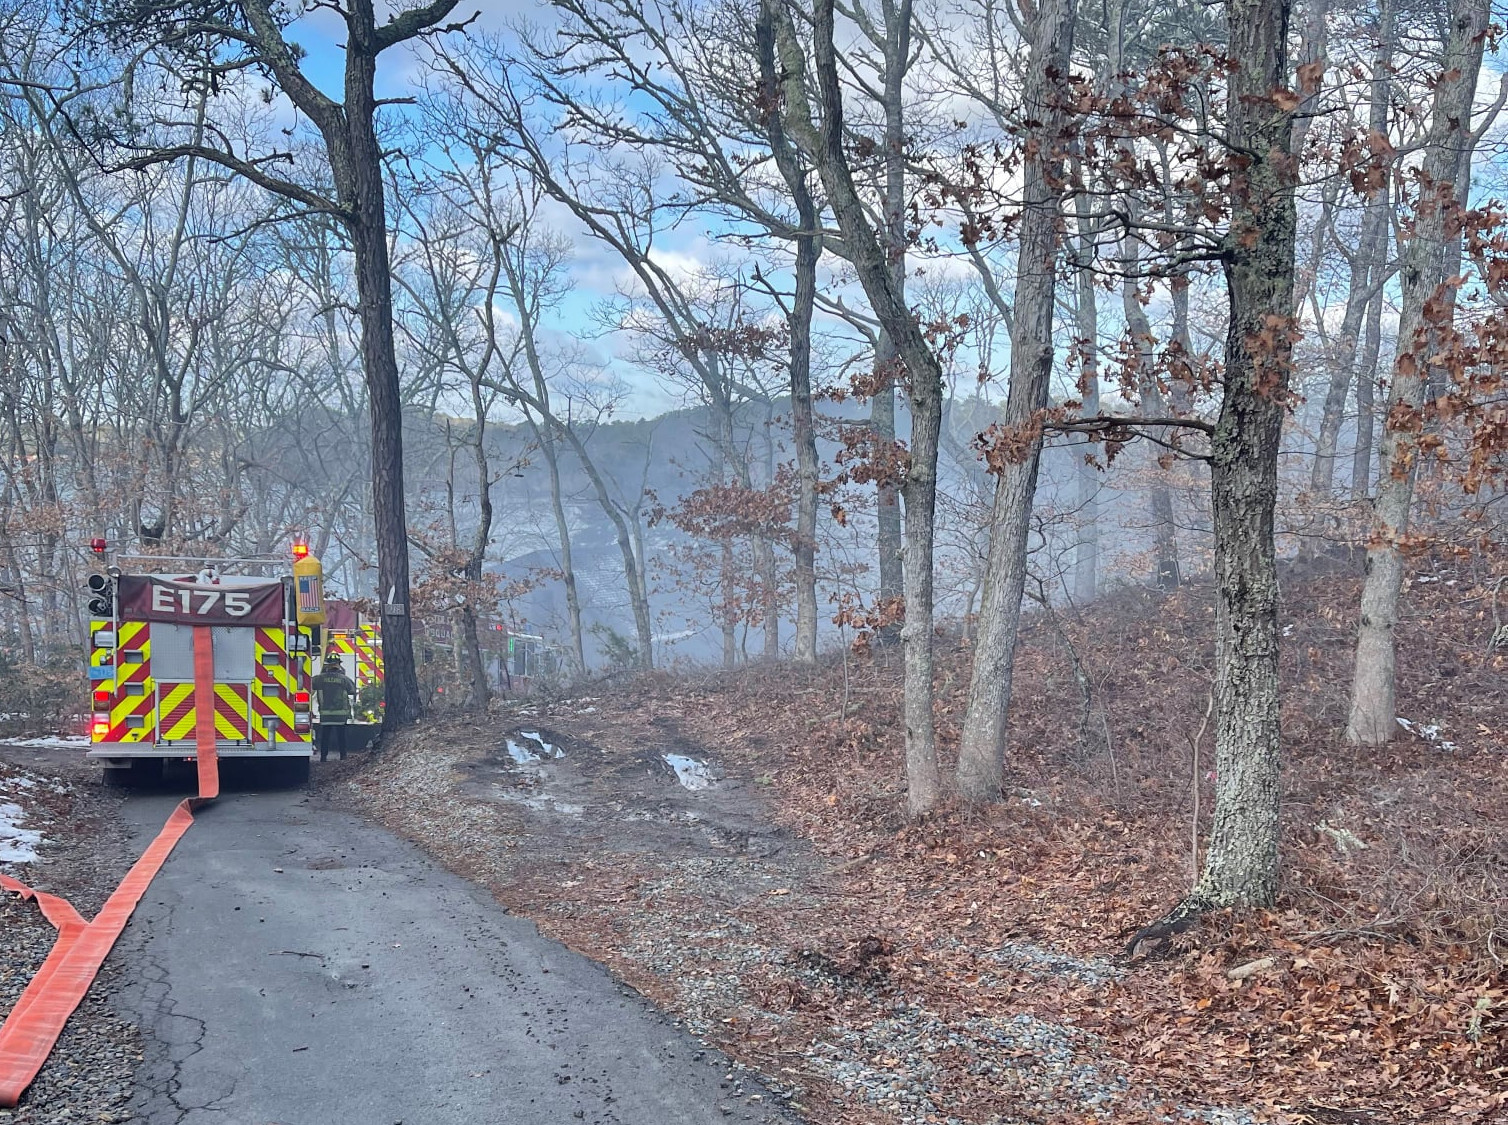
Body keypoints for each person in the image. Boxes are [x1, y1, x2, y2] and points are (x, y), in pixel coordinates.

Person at [311, 653, 356, 762]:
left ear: (327, 665)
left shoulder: (319, 679)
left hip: (325, 714)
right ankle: (343, 756)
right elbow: (352, 691)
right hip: (340, 714)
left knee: (325, 737)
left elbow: (309, 685)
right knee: (341, 737)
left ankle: (323, 757)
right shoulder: (344, 679)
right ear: (339, 665)